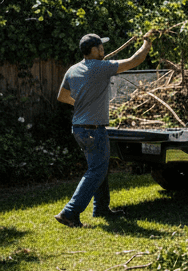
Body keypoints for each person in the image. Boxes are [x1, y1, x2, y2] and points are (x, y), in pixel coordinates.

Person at [55, 31, 153, 228]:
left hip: (79, 129)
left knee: (99, 168)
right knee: (96, 170)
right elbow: (134, 60)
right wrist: (147, 42)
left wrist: (82, 103)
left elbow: (62, 97)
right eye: (100, 47)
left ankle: (100, 208)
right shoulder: (101, 68)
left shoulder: (72, 70)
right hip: (93, 130)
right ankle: (69, 212)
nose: (103, 49)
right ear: (93, 50)